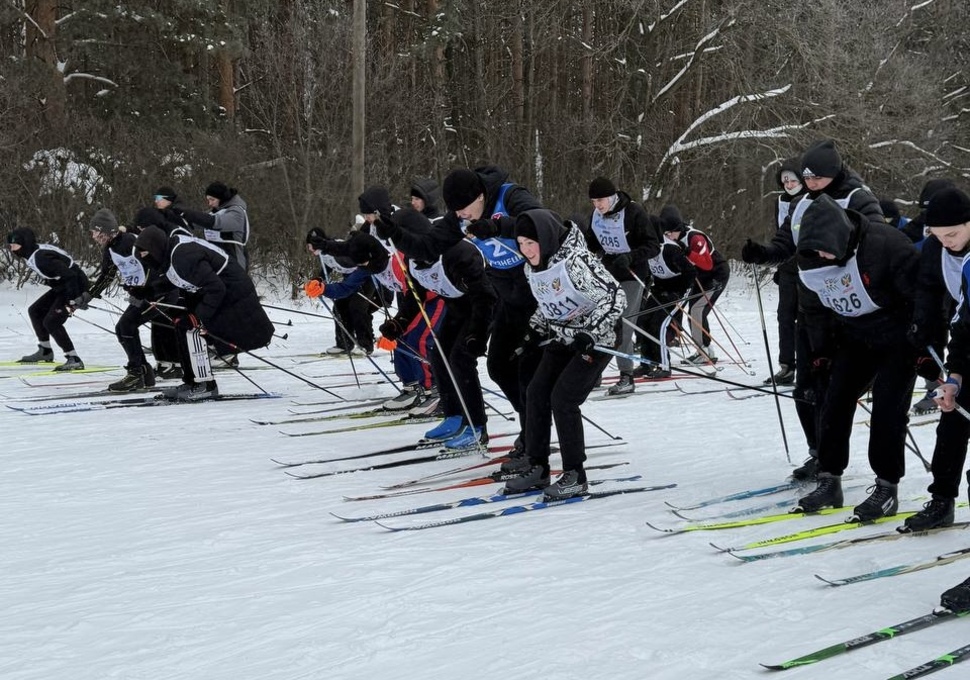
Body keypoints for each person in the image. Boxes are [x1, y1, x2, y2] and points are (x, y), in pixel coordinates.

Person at [742, 139, 885, 480]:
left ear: (834, 173)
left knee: (832, 391)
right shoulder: (801, 202)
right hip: (811, 309)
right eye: (806, 178)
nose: (811, 184)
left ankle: (832, 462)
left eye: (817, 177)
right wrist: (764, 254)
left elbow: (879, 242)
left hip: (847, 310)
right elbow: (785, 243)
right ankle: (818, 453)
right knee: (804, 390)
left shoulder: (857, 198)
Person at [377, 165, 542, 455]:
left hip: (534, 295)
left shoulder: (510, 196)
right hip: (508, 298)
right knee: (498, 367)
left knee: (526, 371)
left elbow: (543, 224)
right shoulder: (459, 217)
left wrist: (498, 227)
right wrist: (395, 234)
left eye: (464, 208)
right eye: (456, 211)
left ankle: (533, 439)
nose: (461, 215)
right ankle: (520, 426)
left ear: (480, 196)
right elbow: (428, 245)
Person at [792, 194, 919, 520]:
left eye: (825, 250)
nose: (821, 257)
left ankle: (887, 487)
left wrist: (923, 342)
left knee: (888, 411)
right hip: (855, 336)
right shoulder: (810, 259)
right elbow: (813, 309)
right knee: (833, 402)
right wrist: (820, 352)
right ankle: (829, 479)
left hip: (899, 337)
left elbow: (922, 299)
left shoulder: (887, 245)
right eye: (815, 252)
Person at [502, 209, 625, 499]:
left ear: (545, 238)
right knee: (536, 392)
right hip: (564, 335)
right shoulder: (533, 268)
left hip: (598, 338)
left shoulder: (576, 261)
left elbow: (615, 297)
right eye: (521, 243)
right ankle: (537, 466)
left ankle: (575, 475)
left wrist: (591, 332)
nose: (526, 250)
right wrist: (534, 330)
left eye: (531, 243)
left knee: (563, 398)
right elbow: (548, 302)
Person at [390, 208, 496, 449]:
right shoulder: (412, 259)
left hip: (485, 305)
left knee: (461, 359)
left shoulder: (456, 252)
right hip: (457, 307)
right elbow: (415, 295)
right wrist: (399, 322)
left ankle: (477, 426)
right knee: (438, 356)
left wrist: (478, 334)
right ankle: (454, 416)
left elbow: (485, 296)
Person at [132, 225, 274, 400]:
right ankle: (191, 381)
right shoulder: (171, 256)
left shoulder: (182, 256)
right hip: (217, 291)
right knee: (181, 325)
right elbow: (177, 279)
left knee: (192, 329)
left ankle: (205, 385)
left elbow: (216, 288)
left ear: (155, 248)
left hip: (232, 293)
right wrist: (147, 291)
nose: (144, 258)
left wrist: (197, 317)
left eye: (145, 254)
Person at [902, 186, 970, 532]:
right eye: (939, 236)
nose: (946, 242)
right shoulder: (936, 250)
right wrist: (948, 368)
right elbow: (933, 300)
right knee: (953, 418)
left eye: (953, 235)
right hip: (965, 332)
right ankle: (942, 500)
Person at [581, 177, 660, 395]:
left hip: (633, 274)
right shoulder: (596, 216)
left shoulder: (634, 212)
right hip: (608, 274)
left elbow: (653, 246)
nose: (597, 205)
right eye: (593, 201)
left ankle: (627, 377)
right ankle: (594, 374)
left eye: (601, 200)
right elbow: (591, 244)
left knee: (622, 324)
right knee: (599, 322)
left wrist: (631, 256)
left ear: (612, 197)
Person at [83, 208, 159, 391]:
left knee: (126, 326)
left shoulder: (131, 241)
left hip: (157, 294)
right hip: (141, 295)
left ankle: (136, 374)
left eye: (95, 232)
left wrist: (144, 290)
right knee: (124, 328)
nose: (93, 236)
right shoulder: (110, 249)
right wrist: (89, 295)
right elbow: (107, 275)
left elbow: (154, 266)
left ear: (105, 230)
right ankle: (143, 371)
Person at [7, 227, 90, 370]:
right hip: (63, 286)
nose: (12, 249)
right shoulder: (32, 253)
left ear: (25, 244)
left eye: (15, 245)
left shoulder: (41, 258)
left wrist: (75, 299)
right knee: (35, 311)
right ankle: (45, 351)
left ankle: (74, 359)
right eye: (10, 245)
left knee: (52, 322)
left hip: (76, 286)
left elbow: (71, 275)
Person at [660, 205, 730, 365]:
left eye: (670, 232)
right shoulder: (673, 238)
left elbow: (707, 263)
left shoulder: (695, 238)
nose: (668, 236)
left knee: (697, 310)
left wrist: (687, 252)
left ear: (678, 228)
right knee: (691, 310)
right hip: (699, 276)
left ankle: (704, 350)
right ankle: (704, 349)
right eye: (666, 233)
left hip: (715, 274)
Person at [764, 158, 807, 386]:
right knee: (785, 316)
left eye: (793, 180)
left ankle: (811, 365)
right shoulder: (780, 201)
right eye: (785, 181)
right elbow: (780, 231)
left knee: (806, 317)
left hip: (809, 266)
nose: (789, 185)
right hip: (788, 265)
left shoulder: (812, 198)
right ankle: (787, 366)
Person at [637, 218, 696, 378]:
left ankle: (664, 366)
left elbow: (690, 272)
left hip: (679, 290)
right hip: (660, 289)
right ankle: (646, 364)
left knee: (659, 324)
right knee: (643, 321)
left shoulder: (670, 249)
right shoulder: (645, 247)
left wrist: (677, 293)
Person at [175, 181, 250, 270]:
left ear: (222, 198)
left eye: (212, 199)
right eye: (208, 200)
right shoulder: (217, 211)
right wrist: (176, 217)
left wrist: (190, 214)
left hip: (235, 260)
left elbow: (215, 222)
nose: (210, 203)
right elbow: (196, 223)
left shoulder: (236, 213)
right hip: (217, 260)